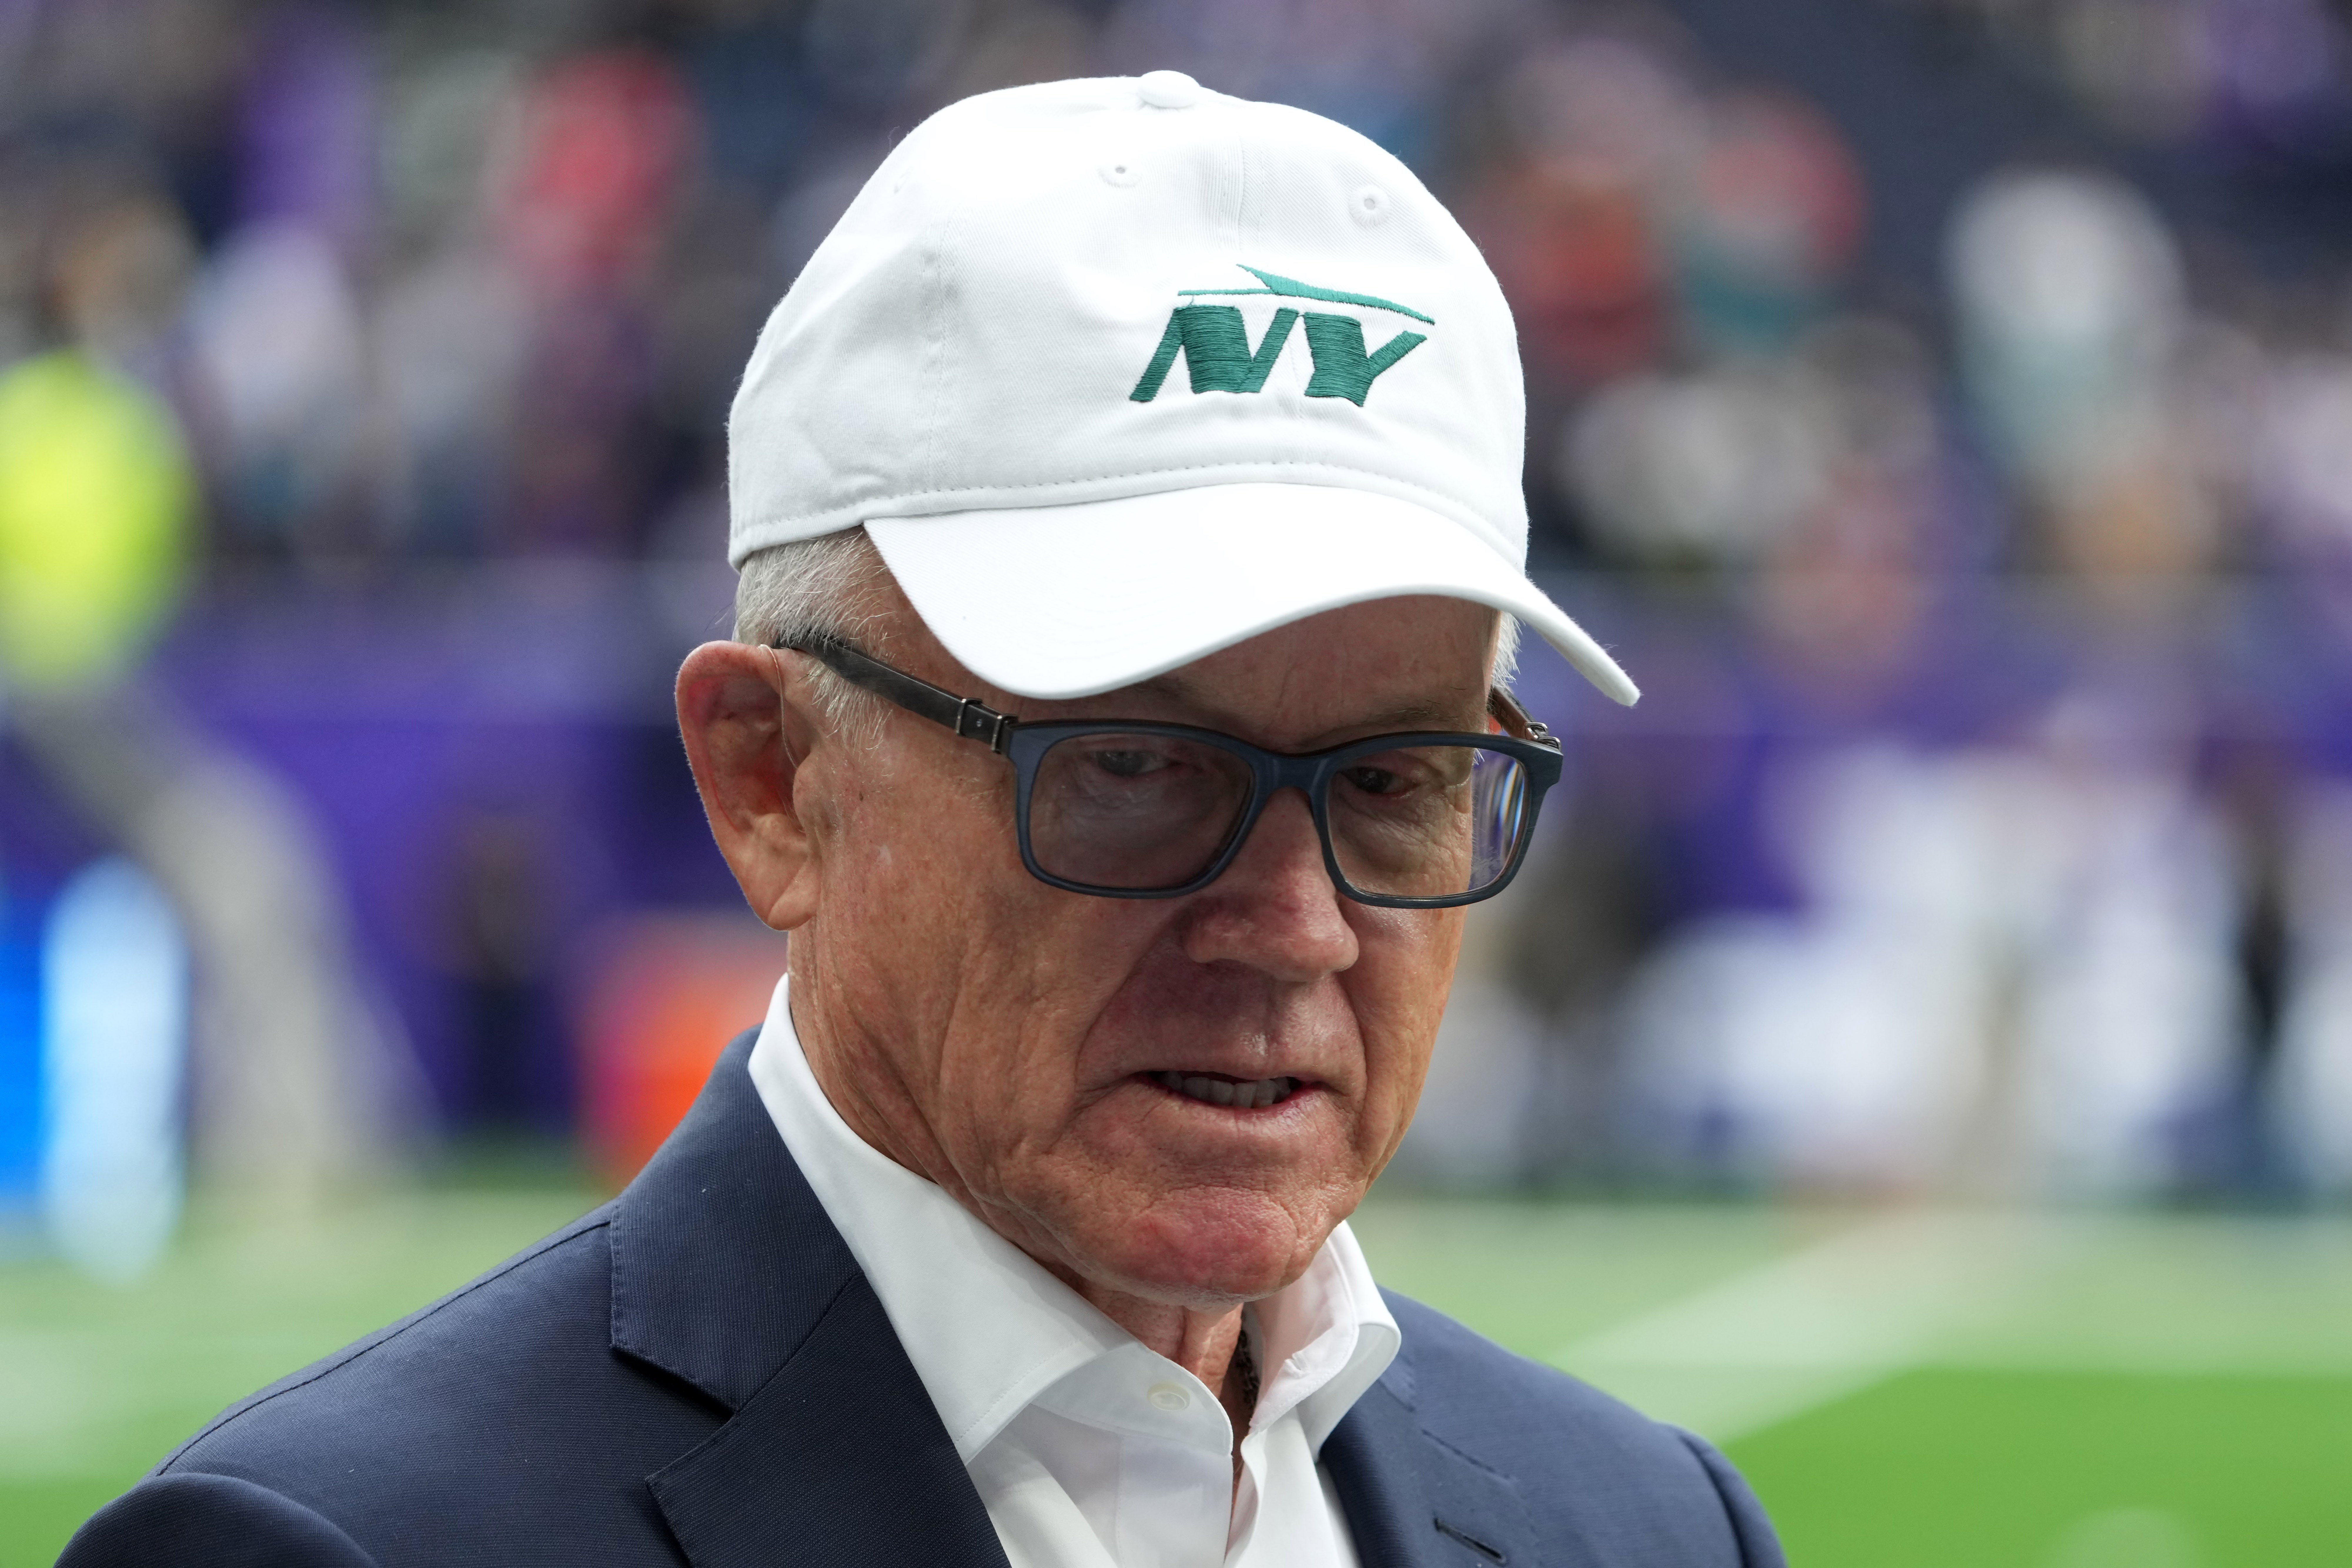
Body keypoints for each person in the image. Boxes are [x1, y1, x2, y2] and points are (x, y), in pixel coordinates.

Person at [63, 73, 1783, 1567]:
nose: (1297, 920)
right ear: (769, 778)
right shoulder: (338, 1552)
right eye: (1133, 766)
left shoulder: (1645, 1526)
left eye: (1394, 779)